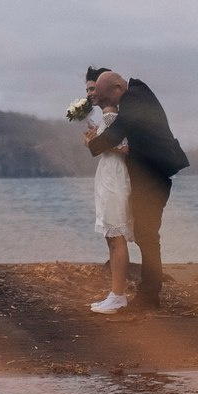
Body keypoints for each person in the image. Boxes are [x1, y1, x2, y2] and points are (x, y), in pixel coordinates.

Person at [84, 69, 187, 310]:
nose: (112, 105)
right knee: (145, 235)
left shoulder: (133, 101)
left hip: (155, 179)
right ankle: (149, 294)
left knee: (147, 236)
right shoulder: (136, 94)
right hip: (150, 177)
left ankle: (149, 296)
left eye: (111, 99)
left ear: (119, 88)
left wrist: (91, 142)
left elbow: (113, 136)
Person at [78, 67, 134, 314]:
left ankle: (118, 295)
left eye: (95, 90)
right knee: (112, 238)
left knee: (115, 237)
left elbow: (124, 147)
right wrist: (95, 139)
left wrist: (92, 142)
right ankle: (115, 293)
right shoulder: (107, 119)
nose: (92, 95)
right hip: (109, 177)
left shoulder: (112, 117)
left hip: (114, 179)